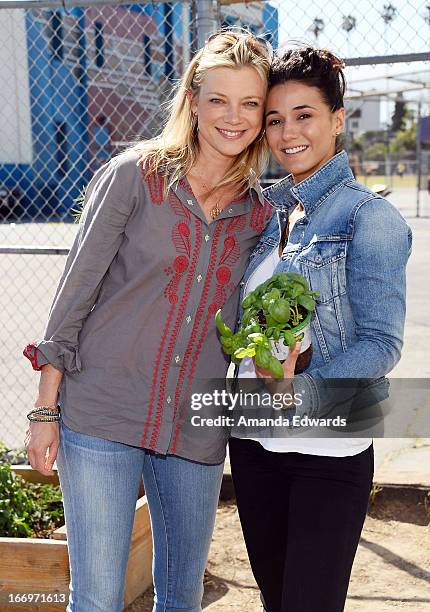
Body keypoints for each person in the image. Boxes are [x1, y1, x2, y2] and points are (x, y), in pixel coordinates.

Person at [23, 30, 274, 612]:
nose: (232, 118)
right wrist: (44, 410)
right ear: (192, 99)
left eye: (249, 103)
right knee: (99, 597)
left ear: (264, 113)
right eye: (218, 99)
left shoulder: (262, 210)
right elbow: (73, 297)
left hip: (196, 428)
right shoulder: (134, 176)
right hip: (104, 414)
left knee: (183, 596)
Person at [229, 46, 412, 612]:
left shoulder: (369, 218)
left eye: (304, 115)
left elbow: (382, 344)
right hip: (254, 442)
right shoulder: (270, 215)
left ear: (337, 118)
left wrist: (300, 391)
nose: (287, 134)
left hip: (327, 449)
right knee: (275, 600)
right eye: (276, 120)